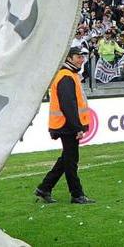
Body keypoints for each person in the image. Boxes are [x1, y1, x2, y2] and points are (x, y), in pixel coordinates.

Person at [35, 48, 95, 204]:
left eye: (83, 56)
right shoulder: (66, 76)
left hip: (65, 124)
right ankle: (77, 194)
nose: (81, 59)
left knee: (67, 159)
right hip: (66, 125)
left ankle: (45, 187)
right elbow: (68, 106)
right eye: (78, 57)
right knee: (71, 160)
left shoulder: (69, 75)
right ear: (69, 58)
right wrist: (77, 128)